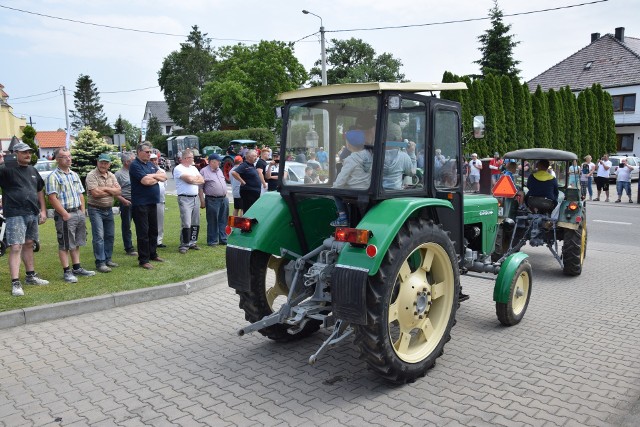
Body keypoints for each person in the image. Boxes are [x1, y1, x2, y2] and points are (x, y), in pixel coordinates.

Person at [0, 142, 49, 296]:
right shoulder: (6, 170)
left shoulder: (33, 170)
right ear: (15, 154)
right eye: (24, 152)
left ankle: (31, 276)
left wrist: (43, 210)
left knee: (29, 244)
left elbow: (39, 190)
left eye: (29, 152)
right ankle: (15, 283)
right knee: (15, 247)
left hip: (32, 213)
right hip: (15, 213)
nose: (28, 155)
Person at [46, 147, 96, 282]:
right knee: (65, 244)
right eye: (64, 156)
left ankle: (77, 268)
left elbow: (80, 194)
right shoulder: (53, 177)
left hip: (77, 213)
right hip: (65, 215)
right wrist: (64, 214)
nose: (68, 159)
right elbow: (52, 198)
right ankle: (67, 271)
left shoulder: (74, 175)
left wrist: (82, 211)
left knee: (77, 242)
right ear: (57, 159)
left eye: (69, 156)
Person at [129, 142, 167, 269]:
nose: (149, 154)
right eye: (147, 152)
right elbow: (145, 181)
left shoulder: (150, 164)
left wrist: (153, 176)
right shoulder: (135, 165)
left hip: (152, 202)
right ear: (139, 152)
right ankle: (143, 259)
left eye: (150, 152)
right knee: (143, 232)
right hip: (140, 204)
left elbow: (164, 176)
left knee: (153, 230)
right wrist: (156, 178)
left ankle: (153, 254)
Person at [85, 154, 121, 273]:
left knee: (110, 235)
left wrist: (104, 189)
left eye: (106, 163)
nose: (103, 165)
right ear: (97, 163)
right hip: (95, 209)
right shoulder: (91, 175)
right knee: (99, 237)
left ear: (109, 164)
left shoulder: (111, 175)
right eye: (101, 162)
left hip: (108, 209)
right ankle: (100, 262)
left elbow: (118, 191)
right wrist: (110, 190)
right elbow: (95, 194)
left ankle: (108, 259)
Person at [331, 129, 373, 226]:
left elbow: (341, 179)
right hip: (366, 190)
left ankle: (343, 217)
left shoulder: (351, 160)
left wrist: (335, 187)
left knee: (335, 192)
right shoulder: (370, 155)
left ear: (349, 144)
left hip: (354, 192)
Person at [173, 149, 205, 254]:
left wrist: (193, 179)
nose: (193, 159)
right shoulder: (178, 168)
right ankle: (184, 244)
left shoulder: (194, 168)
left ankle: (192, 242)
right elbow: (189, 180)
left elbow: (202, 180)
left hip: (195, 197)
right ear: (186, 158)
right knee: (186, 222)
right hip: (184, 198)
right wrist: (193, 179)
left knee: (195, 221)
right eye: (192, 157)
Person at [199, 154, 229, 246]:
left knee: (223, 220)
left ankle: (223, 239)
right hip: (212, 199)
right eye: (218, 161)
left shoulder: (219, 170)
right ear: (212, 162)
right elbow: (200, 187)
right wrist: (202, 201)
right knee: (213, 221)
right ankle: (212, 241)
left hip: (223, 199)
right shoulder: (204, 171)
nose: (220, 162)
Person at [115, 152, 138, 256]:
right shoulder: (119, 174)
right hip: (126, 202)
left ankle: (142, 245)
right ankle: (129, 248)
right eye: (132, 160)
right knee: (126, 226)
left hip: (138, 201)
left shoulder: (135, 171)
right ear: (126, 162)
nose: (135, 162)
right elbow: (115, 191)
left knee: (141, 224)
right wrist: (123, 200)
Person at [231, 149, 262, 213]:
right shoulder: (244, 165)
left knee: (254, 211)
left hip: (254, 192)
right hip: (248, 192)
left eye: (256, 156)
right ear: (249, 157)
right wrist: (242, 181)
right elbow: (234, 173)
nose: (256, 158)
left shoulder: (252, 165)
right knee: (248, 211)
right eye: (254, 156)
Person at [149, 153, 167, 247]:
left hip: (160, 200)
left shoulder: (162, 171)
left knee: (160, 222)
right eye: (151, 160)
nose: (154, 162)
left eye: (155, 159)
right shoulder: (147, 170)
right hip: (150, 201)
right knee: (150, 222)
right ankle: (150, 240)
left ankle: (158, 241)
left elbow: (165, 184)